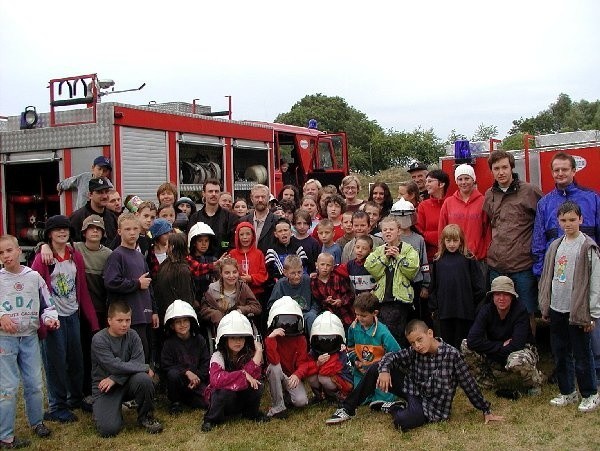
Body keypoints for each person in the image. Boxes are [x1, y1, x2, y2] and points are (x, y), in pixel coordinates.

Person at [326, 320, 503, 430]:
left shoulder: (452, 355)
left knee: (402, 423)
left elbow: (468, 383)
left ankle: (392, 407)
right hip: (413, 391)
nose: (417, 345)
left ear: (430, 334)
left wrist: (485, 409)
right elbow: (392, 356)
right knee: (376, 368)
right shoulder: (414, 351)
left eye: (420, 340)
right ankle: (348, 409)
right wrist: (385, 370)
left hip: (433, 408)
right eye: (413, 342)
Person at [531, 152, 600, 375]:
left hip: (585, 272)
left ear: (573, 170)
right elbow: (539, 239)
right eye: (556, 170)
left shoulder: (592, 198)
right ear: (552, 173)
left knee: (589, 318)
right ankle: (566, 371)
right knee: (560, 324)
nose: (560, 173)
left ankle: (596, 368)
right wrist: (541, 273)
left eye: (565, 169)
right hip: (558, 274)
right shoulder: (545, 204)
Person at [31, 215, 100, 423]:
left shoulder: (74, 256)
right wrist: (43, 321)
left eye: (66, 229)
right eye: (57, 230)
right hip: (54, 318)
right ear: (49, 234)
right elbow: (36, 291)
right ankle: (56, 405)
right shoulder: (42, 258)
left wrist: (93, 323)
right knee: (55, 363)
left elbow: (83, 291)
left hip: (73, 315)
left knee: (76, 360)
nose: (62, 233)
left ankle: (75, 399)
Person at [539, 201, 600, 412]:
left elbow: (595, 283)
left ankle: (590, 393)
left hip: (578, 311)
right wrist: (545, 305)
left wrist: (592, 313)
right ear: (558, 221)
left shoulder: (588, 247)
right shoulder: (555, 246)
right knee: (561, 352)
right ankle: (567, 392)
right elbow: (549, 277)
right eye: (563, 220)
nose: (568, 224)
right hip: (558, 308)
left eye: (573, 220)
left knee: (582, 354)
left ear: (581, 220)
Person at [0, 235, 59, 449]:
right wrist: (1, 317)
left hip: (29, 337)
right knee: (8, 388)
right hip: (5, 340)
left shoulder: (33, 277)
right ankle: (5, 435)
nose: (6, 256)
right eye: (1, 253)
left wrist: (50, 320)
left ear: (18, 251)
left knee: (34, 383)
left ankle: (37, 422)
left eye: (9, 250)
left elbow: (47, 305)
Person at [483, 150, 542, 335]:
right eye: (496, 168)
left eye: (504, 167)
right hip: (497, 265)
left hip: (522, 265)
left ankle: (529, 352)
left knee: (526, 312)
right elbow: (491, 223)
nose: (501, 172)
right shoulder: (489, 195)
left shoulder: (529, 191)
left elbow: (543, 221)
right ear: (491, 171)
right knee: (500, 312)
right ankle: (505, 353)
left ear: (511, 168)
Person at [462, 276, 545, 394]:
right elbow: (472, 340)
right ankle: (487, 381)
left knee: (516, 360)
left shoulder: (520, 311)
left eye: (505, 294)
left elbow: (516, 345)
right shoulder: (485, 310)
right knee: (465, 345)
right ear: (492, 296)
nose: (501, 298)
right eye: (497, 294)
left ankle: (534, 382)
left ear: (512, 296)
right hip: (499, 349)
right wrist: (500, 345)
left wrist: (491, 347)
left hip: (520, 351)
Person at [91, 302, 163, 437]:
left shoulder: (133, 335)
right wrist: (145, 367)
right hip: (105, 387)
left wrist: (115, 378)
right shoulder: (99, 340)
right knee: (109, 430)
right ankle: (102, 409)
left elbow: (138, 362)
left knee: (144, 379)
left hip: (127, 382)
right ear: (109, 320)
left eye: (127, 320)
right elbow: (113, 365)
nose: (124, 324)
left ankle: (146, 417)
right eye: (119, 320)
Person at [104, 213, 159, 364]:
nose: (132, 232)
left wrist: (154, 311)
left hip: (145, 315)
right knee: (134, 358)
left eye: (135, 228)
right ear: (119, 231)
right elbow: (111, 282)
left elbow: (149, 284)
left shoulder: (140, 256)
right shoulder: (116, 255)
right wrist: (136, 284)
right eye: (128, 229)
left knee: (148, 355)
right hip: (129, 318)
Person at [201, 311, 268, 431]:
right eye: (233, 338)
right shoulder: (218, 356)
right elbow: (216, 379)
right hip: (224, 401)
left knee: (257, 386)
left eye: (241, 338)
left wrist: (259, 352)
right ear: (224, 339)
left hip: (239, 397)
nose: (238, 341)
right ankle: (211, 419)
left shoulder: (247, 354)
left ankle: (251, 413)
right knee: (223, 391)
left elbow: (255, 374)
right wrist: (243, 374)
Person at [365, 216, 419, 345]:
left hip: (399, 301)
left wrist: (397, 256)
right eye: (384, 230)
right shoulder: (379, 250)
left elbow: (412, 270)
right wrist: (385, 257)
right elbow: (370, 267)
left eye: (391, 229)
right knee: (382, 335)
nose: (388, 232)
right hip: (381, 300)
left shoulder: (408, 249)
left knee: (396, 336)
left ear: (399, 231)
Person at [429, 224, 485, 349]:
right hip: (444, 311)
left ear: (461, 241)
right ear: (443, 241)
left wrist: (471, 303)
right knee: (447, 344)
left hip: (464, 311)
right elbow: (434, 286)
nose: (452, 244)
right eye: (448, 241)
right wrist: (434, 306)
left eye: (455, 240)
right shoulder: (438, 260)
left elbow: (479, 286)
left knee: (463, 343)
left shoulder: (468, 258)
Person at [346, 292, 400, 407]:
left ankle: (385, 391)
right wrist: (356, 361)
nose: (359, 318)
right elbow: (350, 348)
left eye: (363, 316)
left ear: (375, 313)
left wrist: (384, 370)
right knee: (361, 400)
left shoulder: (383, 332)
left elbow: (396, 354)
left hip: (379, 372)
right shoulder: (353, 328)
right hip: (361, 372)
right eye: (357, 314)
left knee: (382, 401)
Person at [265, 296, 313, 418]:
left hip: (291, 376)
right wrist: (271, 338)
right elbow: (274, 361)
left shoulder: (301, 339)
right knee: (274, 367)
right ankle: (278, 406)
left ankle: (286, 396)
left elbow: (303, 362)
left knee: (301, 401)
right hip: (278, 373)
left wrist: (297, 374)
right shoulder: (271, 338)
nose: (287, 325)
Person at [161, 300, 210, 415]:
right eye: (178, 322)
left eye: (185, 321)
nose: (182, 325)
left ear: (191, 322)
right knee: (173, 374)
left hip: (196, 382)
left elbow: (205, 363)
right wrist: (186, 372)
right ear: (172, 326)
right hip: (178, 382)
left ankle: (189, 399)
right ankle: (175, 402)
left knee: (209, 401)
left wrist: (197, 377)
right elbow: (166, 365)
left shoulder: (199, 340)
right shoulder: (169, 343)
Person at [438, 164, 490, 263]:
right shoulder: (448, 202)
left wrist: (486, 253)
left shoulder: (483, 201)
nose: (463, 182)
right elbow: (442, 229)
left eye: (467, 178)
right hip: (454, 257)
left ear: (473, 179)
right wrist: (442, 251)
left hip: (477, 258)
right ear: (456, 181)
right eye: (460, 179)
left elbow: (487, 231)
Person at [390, 198, 431, 326]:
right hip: (396, 283)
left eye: (407, 216)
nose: (403, 220)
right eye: (399, 216)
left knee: (415, 316)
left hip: (415, 283)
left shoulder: (418, 239)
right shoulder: (390, 238)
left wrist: (425, 285)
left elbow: (424, 263)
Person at [200, 257, 262, 327]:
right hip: (219, 327)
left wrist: (240, 310)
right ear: (221, 273)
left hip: (239, 326)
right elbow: (203, 310)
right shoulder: (212, 288)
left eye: (234, 272)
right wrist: (216, 314)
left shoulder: (243, 287)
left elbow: (257, 307)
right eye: (227, 273)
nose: (231, 276)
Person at [306, 312, 353, 403]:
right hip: (325, 377)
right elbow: (306, 367)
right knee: (311, 376)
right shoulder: (313, 351)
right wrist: (317, 363)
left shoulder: (341, 352)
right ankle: (320, 396)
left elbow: (331, 371)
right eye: (321, 339)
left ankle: (338, 395)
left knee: (323, 377)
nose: (326, 344)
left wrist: (321, 364)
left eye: (330, 339)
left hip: (342, 381)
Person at [188, 179, 239, 257]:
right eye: (210, 191)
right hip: (200, 265)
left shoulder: (231, 218)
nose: (214, 194)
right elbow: (191, 244)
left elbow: (234, 244)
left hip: (224, 264)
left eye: (216, 191)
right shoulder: (195, 218)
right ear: (203, 194)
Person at [268, 256, 319, 333]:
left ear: (302, 269)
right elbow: (272, 305)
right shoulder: (280, 284)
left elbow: (316, 301)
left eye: (299, 272)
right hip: (287, 316)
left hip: (306, 315)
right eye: (292, 273)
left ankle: (312, 343)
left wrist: (312, 311)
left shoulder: (308, 280)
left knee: (312, 317)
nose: (296, 276)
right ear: (285, 272)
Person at [69, 177, 118, 244]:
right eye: (100, 192)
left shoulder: (112, 217)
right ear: (90, 195)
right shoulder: (77, 218)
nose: (105, 196)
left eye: (106, 192)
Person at [311, 253, 354, 327]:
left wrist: (341, 301)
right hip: (326, 314)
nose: (325, 267)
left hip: (343, 313)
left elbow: (350, 295)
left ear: (332, 267)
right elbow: (317, 300)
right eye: (322, 264)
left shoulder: (338, 278)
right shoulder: (313, 281)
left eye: (328, 265)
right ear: (316, 265)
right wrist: (326, 301)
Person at [416, 169, 449, 263]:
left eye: (430, 181)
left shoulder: (451, 203)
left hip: (451, 255)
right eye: (426, 181)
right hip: (430, 258)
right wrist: (441, 237)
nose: (426, 184)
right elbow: (420, 231)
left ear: (441, 184)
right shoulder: (423, 206)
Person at [228, 222, 269, 299]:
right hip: (236, 294)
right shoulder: (232, 253)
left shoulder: (259, 254)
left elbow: (263, 275)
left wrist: (251, 278)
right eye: (241, 234)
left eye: (248, 234)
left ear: (253, 236)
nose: (245, 237)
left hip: (256, 294)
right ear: (237, 237)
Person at [264, 218, 308, 282]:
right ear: (276, 234)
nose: (283, 233)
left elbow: (304, 269)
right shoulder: (271, 251)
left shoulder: (298, 249)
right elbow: (270, 273)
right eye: (280, 231)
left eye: (285, 230)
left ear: (291, 232)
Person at [187, 222, 219, 305]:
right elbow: (197, 269)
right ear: (194, 243)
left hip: (210, 300)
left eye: (206, 241)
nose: (204, 244)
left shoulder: (214, 259)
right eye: (200, 241)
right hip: (192, 299)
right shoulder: (188, 259)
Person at [240, 184, 278, 255]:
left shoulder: (277, 221)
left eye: (263, 197)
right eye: (257, 197)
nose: (260, 200)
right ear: (251, 199)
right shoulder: (243, 221)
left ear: (269, 198)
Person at [292, 209, 320, 274]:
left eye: (305, 223)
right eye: (299, 223)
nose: (302, 227)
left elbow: (317, 263)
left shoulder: (314, 243)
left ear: (309, 224)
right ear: (294, 224)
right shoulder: (290, 241)